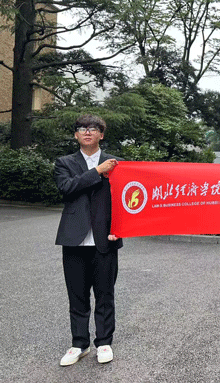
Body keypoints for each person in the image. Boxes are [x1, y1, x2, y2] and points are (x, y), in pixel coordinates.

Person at [54, 114, 122, 366]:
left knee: (105, 295)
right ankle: (79, 344)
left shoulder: (117, 164)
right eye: (82, 128)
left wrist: (121, 227)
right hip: (74, 239)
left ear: (101, 135)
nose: (87, 132)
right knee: (77, 296)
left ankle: (104, 342)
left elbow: (125, 199)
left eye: (93, 128)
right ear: (76, 135)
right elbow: (67, 188)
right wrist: (98, 172)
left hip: (106, 239)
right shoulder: (64, 162)